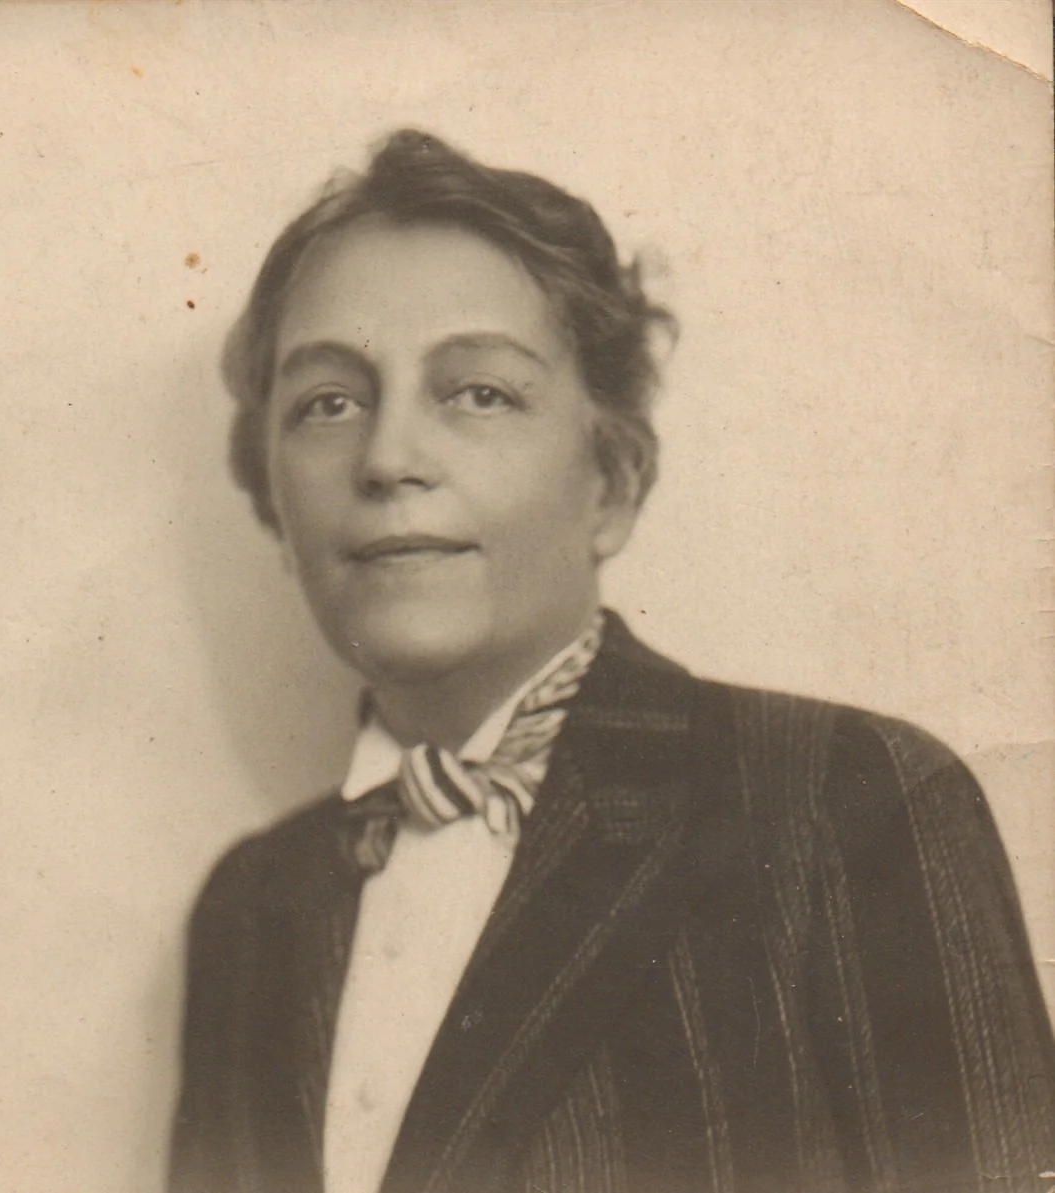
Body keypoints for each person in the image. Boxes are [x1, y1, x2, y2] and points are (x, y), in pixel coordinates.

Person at [169, 130, 1055, 1193]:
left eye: (478, 392)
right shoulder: (252, 905)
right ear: (271, 499)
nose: (388, 457)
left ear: (610, 481)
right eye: (328, 402)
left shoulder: (846, 801)